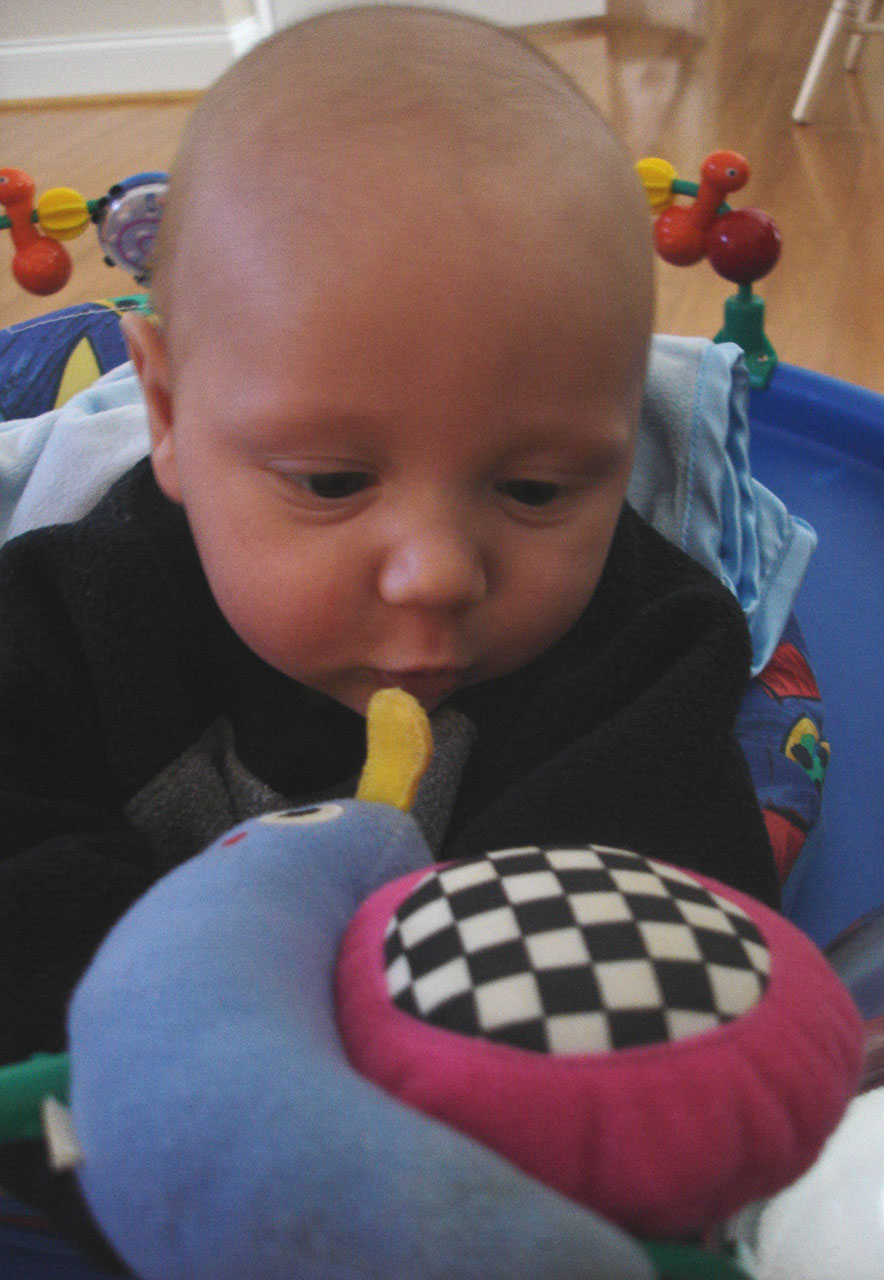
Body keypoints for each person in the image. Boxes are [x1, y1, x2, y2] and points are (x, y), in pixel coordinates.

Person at [0, 4, 776, 1267]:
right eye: (331, 481)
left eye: (536, 488)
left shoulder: (645, 649)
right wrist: (194, 1080)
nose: (437, 574)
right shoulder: (67, 622)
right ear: (170, 412)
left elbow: (660, 979)